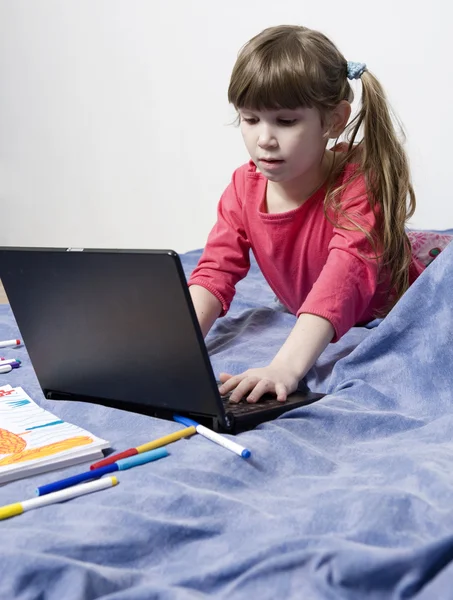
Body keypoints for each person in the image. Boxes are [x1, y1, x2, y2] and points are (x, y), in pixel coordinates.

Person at [188, 24, 425, 405]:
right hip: (310, 303)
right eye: (250, 120)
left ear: (332, 121)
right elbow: (216, 269)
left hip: (383, 307)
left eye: (285, 121)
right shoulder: (242, 186)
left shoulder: (360, 181)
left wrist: (286, 366)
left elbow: (344, 276)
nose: (264, 138)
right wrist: (174, 346)